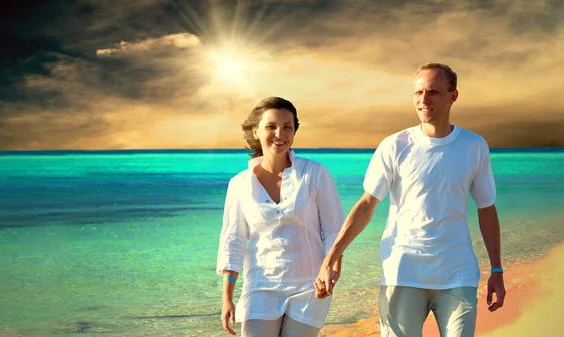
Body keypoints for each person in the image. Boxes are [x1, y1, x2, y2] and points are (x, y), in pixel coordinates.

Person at [315, 63, 506, 337]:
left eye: (433, 92)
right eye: (418, 92)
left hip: (457, 274)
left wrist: (497, 269)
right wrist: (332, 256)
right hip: (402, 273)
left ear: (453, 96)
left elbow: (486, 209)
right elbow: (368, 204)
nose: (423, 100)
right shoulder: (395, 145)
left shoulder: (474, 146)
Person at [216, 97, 344, 337]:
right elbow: (233, 241)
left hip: (309, 286)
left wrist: (332, 270)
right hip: (260, 287)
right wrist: (227, 298)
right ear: (256, 131)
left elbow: (334, 230)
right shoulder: (239, 184)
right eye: (271, 126)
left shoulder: (314, 173)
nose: (280, 133)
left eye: (287, 126)